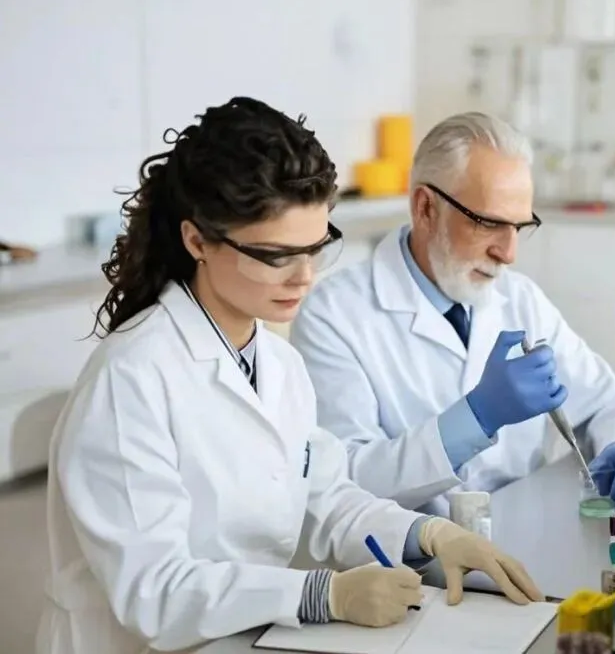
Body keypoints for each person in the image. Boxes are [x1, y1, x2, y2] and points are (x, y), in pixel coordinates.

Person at [36, 97, 542, 654]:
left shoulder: (276, 362)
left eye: (315, 249)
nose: (304, 277)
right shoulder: (131, 378)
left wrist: (426, 534)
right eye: (277, 255)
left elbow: (325, 495)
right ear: (197, 240)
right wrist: (322, 595)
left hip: (242, 636)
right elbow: (154, 594)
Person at [289, 112, 615, 516]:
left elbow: (608, 401)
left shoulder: (520, 299)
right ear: (425, 208)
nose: (508, 253)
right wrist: (475, 419)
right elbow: (346, 481)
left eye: (519, 227)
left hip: (523, 533)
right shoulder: (333, 314)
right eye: (489, 224)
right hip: (409, 551)